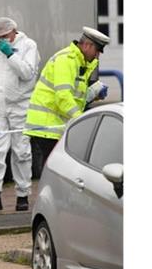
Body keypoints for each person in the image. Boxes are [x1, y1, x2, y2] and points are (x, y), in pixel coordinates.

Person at [24, 26, 110, 178]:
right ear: (87, 45)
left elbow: (74, 95)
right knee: (55, 171)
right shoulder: (66, 60)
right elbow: (62, 96)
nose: (97, 56)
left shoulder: (82, 62)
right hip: (47, 126)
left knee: (59, 170)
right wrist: (81, 120)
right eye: (97, 51)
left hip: (58, 123)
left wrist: (92, 94)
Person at [0, 17, 40, 212]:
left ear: (14, 31)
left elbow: (27, 73)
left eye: (4, 36)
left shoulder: (28, 46)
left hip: (21, 106)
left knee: (21, 152)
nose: (1, 41)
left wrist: (11, 56)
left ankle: (22, 195)